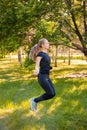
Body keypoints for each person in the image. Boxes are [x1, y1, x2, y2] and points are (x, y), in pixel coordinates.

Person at [29, 38, 55, 111]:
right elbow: (37, 65)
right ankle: (34, 100)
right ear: (42, 45)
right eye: (46, 43)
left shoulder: (46, 54)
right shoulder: (40, 54)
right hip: (42, 77)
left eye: (48, 43)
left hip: (46, 76)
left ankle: (34, 100)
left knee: (52, 94)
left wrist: (49, 70)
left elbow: (45, 64)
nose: (48, 44)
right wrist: (36, 71)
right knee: (50, 93)